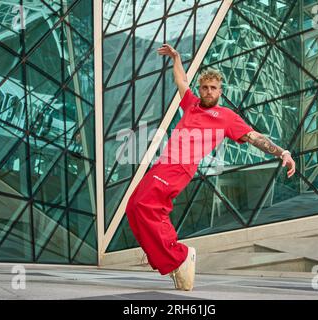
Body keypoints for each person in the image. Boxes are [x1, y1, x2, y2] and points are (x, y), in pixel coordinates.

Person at [125, 44, 296, 291]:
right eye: (204, 87)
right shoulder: (191, 104)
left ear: (220, 91)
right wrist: (176, 57)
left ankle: (179, 255)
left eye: (213, 88)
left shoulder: (226, 117)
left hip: (180, 167)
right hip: (163, 163)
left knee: (147, 206)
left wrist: (283, 152)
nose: (207, 91)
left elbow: (254, 137)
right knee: (133, 207)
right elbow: (181, 80)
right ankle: (170, 262)